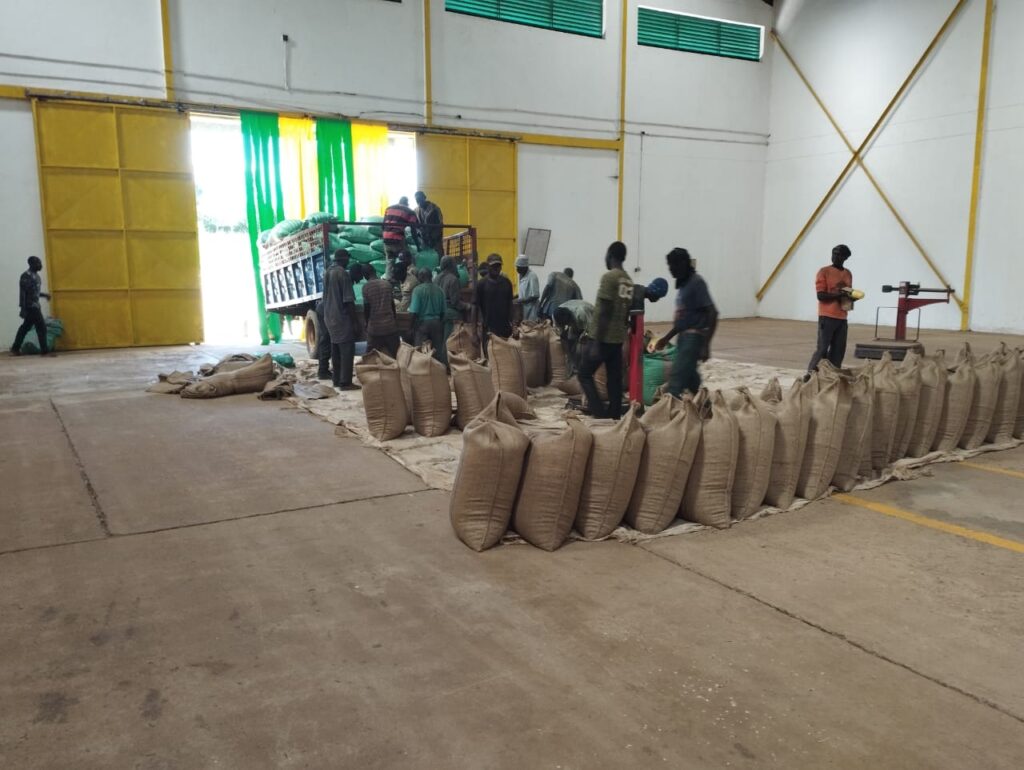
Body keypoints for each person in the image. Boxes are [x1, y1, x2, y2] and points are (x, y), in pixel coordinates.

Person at [650, 248, 717, 398]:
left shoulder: (697, 283)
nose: (670, 269)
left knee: (676, 380)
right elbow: (682, 321)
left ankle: (669, 408)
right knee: (691, 378)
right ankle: (704, 405)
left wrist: (706, 345)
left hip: (693, 339)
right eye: (669, 266)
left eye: (673, 265)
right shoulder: (684, 285)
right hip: (683, 338)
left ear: (683, 264)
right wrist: (666, 338)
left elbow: (713, 313)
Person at [578, 242, 633, 419]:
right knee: (614, 380)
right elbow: (626, 313)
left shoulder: (609, 277)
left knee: (584, 374)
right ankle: (614, 415)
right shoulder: (628, 280)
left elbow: (604, 311)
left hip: (603, 337)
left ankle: (599, 413)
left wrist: (597, 342)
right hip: (617, 339)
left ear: (610, 255)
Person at [807, 244, 855, 374]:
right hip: (827, 316)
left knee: (838, 350)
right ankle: (810, 375)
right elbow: (821, 296)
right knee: (822, 348)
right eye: (834, 253)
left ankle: (832, 375)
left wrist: (852, 299)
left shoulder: (847, 274)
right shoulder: (824, 272)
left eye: (839, 255)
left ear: (845, 257)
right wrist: (839, 295)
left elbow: (847, 295)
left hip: (842, 317)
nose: (835, 257)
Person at [322, 249, 361, 390]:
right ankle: (345, 382)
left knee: (336, 350)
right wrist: (355, 322)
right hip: (341, 317)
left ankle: (337, 379)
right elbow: (348, 300)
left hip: (329, 316)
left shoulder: (328, 272)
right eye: (347, 259)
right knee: (347, 350)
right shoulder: (343, 273)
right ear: (344, 259)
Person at [475, 254, 514, 360]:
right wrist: (475, 329)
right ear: (488, 267)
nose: (496, 268)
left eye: (498, 266)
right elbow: (476, 306)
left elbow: (510, 304)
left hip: (505, 327)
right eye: (493, 266)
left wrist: (513, 324)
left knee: (505, 357)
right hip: (489, 327)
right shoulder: (481, 284)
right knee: (490, 357)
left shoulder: (507, 283)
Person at [10, 256, 51, 356]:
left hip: (36, 305)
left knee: (25, 327)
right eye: (38, 263)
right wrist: (22, 308)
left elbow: (34, 292)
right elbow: (23, 293)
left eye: (40, 263)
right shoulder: (26, 276)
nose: (40, 265)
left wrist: (44, 295)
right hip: (30, 306)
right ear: (31, 264)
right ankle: (44, 351)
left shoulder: (37, 276)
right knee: (41, 327)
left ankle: (15, 348)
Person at [410, 268, 448, 367]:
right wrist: (439, 322)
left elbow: (414, 312)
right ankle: (438, 371)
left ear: (421, 277)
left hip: (423, 324)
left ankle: (423, 370)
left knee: (421, 351)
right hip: (437, 322)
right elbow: (444, 312)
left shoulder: (417, 290)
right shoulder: (440, 290)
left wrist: (411, 327)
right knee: (437, 351)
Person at [361, 263, 400, 358]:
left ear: (365, 275)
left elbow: (367, 309)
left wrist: (366, 323)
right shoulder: (387, 284)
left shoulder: (366, 287)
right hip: (390, 326)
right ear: (375, 271)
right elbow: (392, 305)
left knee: (370, 356)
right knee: (397, 354)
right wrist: (394, 320)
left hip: (375, 328)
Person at [435, 255, 469, 342]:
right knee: (449, 341)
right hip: (449, 314)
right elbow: (455, 302)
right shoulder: (453, 279)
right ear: (451, 265)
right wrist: (467, 306)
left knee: (440, 341)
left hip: (436, 313)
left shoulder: (436, 278)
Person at [382, 200, 418, 279]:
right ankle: (410, 279)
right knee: (408, 258)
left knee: (390, 260)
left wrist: (384, 236)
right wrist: (418, 245)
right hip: (397, 239)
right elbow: (413, 230)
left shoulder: (389, 208)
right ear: (407, 204)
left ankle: (389, 279)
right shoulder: (409, 211)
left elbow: (383, 224)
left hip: (386, 239)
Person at [514, 255, 540, 322]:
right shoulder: (521, 275)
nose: (517, 269)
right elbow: (523, 292)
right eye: (516, 267)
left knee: (530, 326)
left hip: (531, 310)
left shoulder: (532, 276)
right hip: (523, 309)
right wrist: (515, 296)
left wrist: (520, 300)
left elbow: (535, 295)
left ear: (524, 267)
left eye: (518, 267)